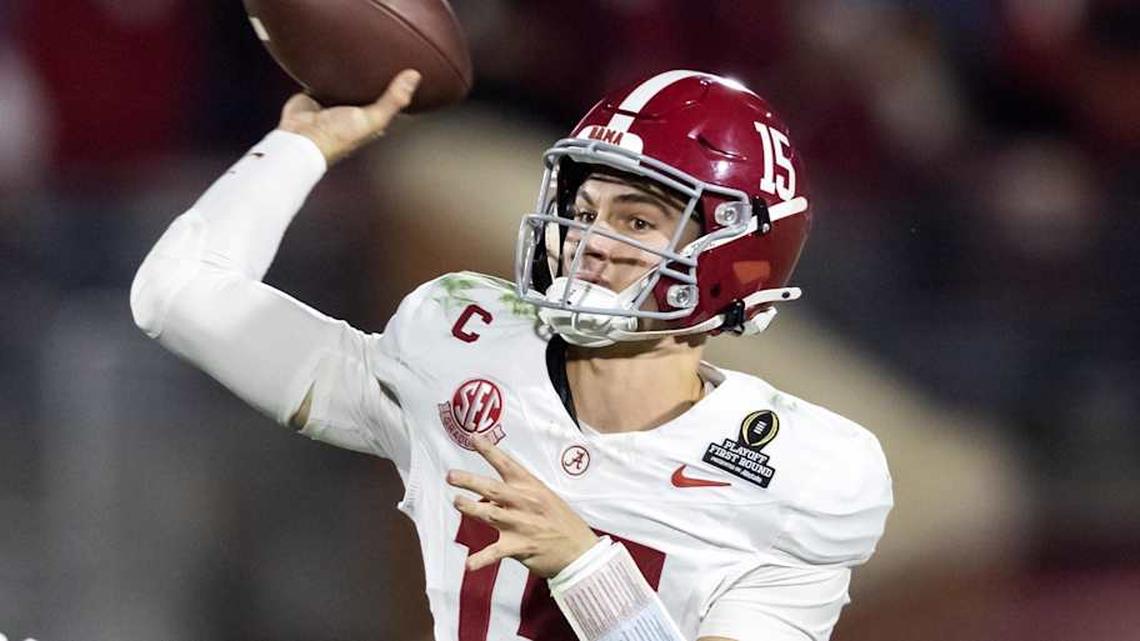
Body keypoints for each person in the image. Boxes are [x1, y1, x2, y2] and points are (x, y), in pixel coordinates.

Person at [131, 68, 892, 641]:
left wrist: (584, 567)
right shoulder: (458, 350)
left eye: (638, 218)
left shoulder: (799, 475)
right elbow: (179, 295)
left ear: (735, 254)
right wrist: (303, 146)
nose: (592, 241)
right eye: (584, 209)